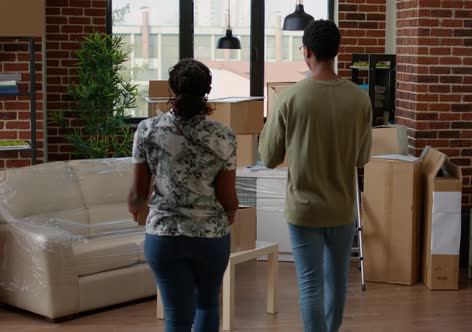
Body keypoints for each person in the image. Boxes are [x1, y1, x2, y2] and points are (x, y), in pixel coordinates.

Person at [259, 20, 372, 332]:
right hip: (342, 208)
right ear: (335, 52)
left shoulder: (289, 98)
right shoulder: (359, 98)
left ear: (306, 51)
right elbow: (362, 158)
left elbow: (268, 158)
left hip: (303, 209)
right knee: (337, 282)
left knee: (310, 286)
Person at [127, 59, 239, 332]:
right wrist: (231, 214)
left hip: (164, 236)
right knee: (208, 305)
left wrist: (136, 210)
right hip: (210, 237)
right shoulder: (222, 135)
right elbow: (227, 199)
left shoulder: (147, 130)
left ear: (171, 89)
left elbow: (136, 195)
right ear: (207, 90)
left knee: (176, 317)